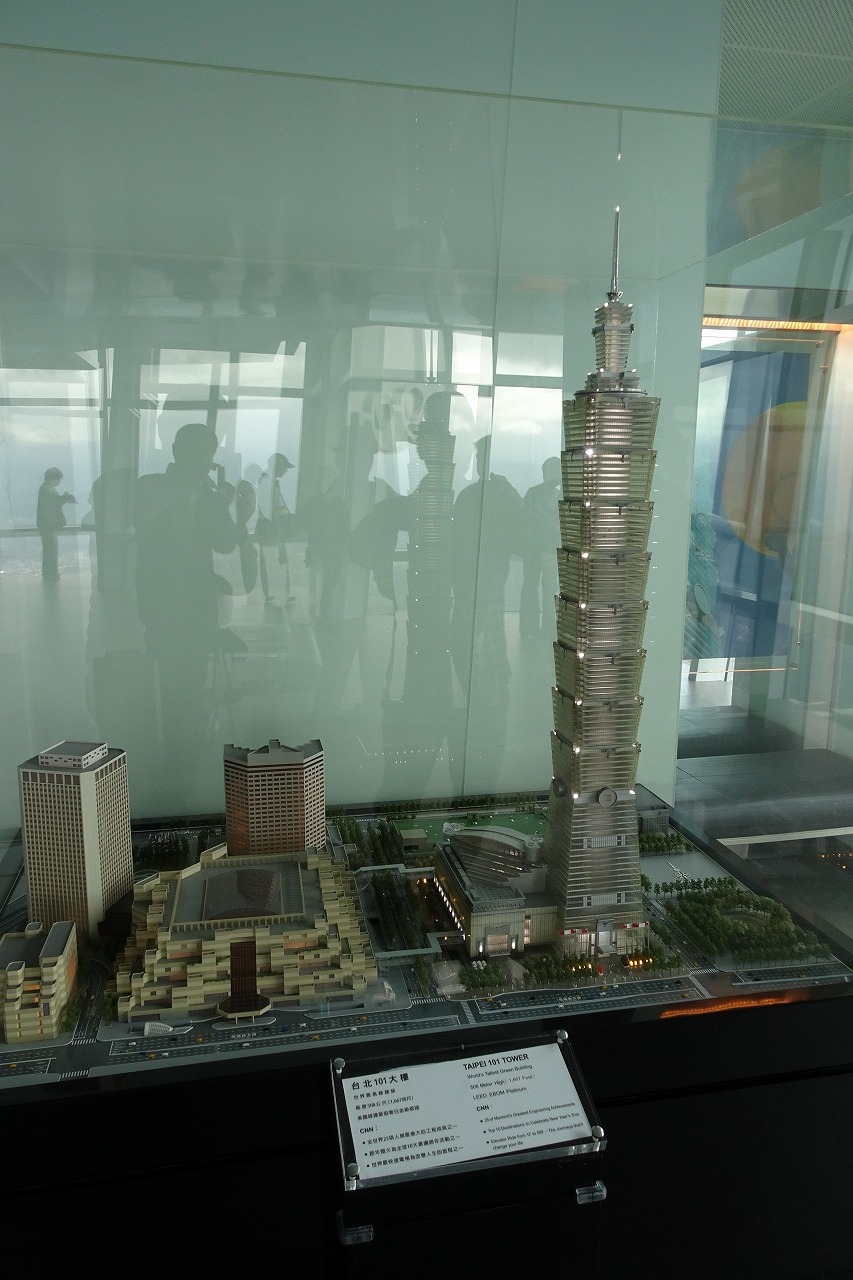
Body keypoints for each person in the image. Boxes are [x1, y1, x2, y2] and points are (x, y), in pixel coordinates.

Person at [255, 452, 296, 603]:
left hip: (270, 527)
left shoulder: (268, 481)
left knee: (271, 561)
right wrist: (279, 529)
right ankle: (277, 594)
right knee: (274, 560)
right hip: (271, 528)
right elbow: (272, 509)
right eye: (284, 467)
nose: (285, 471)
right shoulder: (268, 482)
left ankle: (272, 593)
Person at [36, 467, 76, 580]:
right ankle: (51, 574)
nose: (59, 482)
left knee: (49, 550)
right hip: (49, 526)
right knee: (51, 551)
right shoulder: (48, 490)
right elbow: (56, 502)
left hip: (47, 525)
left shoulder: (45, 489)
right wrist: (66, 498)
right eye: (58, 479)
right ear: (53, 479)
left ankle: (50, 574)